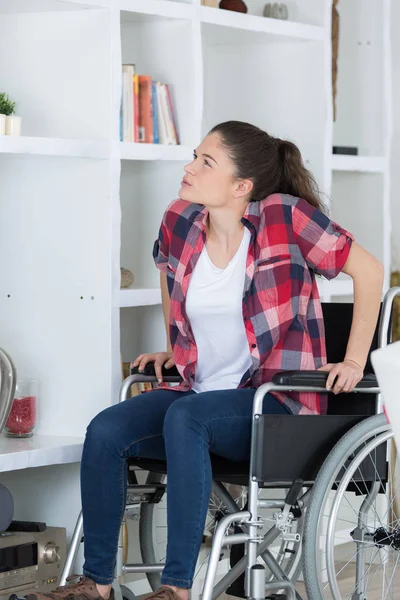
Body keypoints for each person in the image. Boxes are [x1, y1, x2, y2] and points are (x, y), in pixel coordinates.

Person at [27, 121, 384, 600]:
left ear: (242, 187)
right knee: (107, 430)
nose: (189, 167)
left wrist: (355, 359)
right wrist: (177, 346)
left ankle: (175, 589)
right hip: (198, 394)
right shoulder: (180, 219)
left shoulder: (283, 217)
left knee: (187, 418)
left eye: (205, 162)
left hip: (275, 401)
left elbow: (370, 270)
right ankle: (97, 584)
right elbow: (166, 271)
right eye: (194, 156)